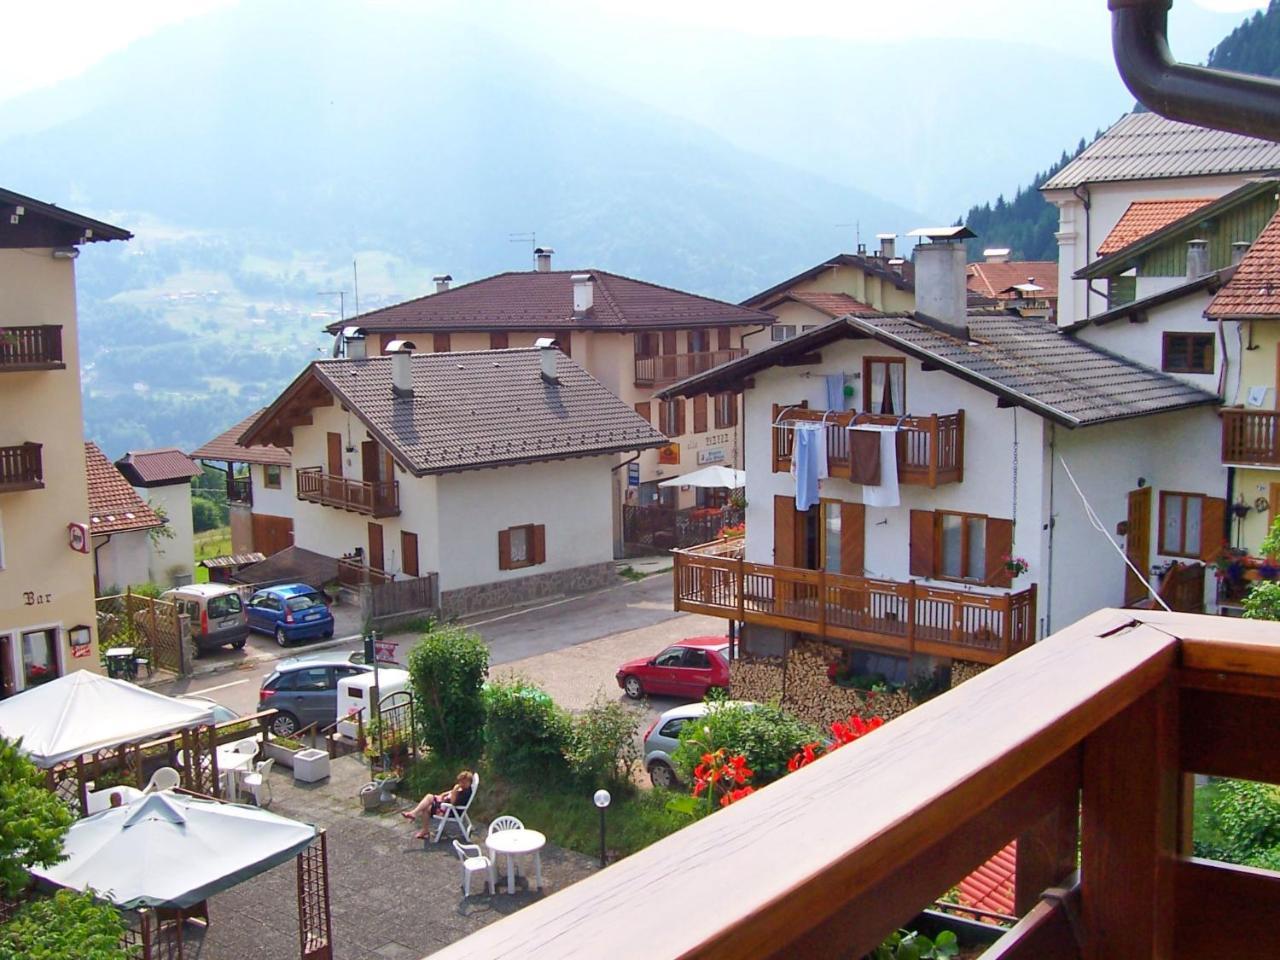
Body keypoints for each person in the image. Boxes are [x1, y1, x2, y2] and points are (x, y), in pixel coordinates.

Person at [402, 770, 473, 839]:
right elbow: (452, 792)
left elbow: (452, 803)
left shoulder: (466, 793)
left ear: (469, 782)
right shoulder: (464, 789)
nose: (461, 784)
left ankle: (415, 815)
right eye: (461, 782)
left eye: (464, 782)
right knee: (427, 802)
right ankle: (420, 823)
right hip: (445, 806)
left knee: (428, 801)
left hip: (450, 811)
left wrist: (454, 790)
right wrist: (444, 794)